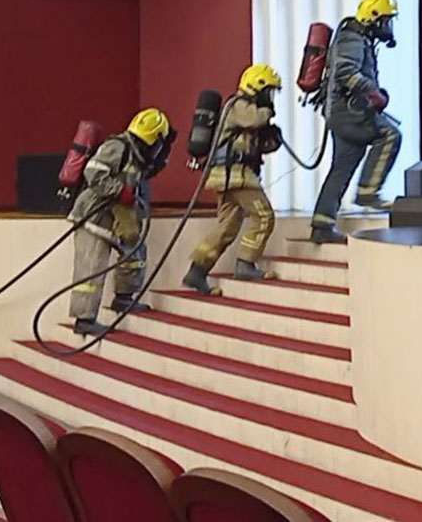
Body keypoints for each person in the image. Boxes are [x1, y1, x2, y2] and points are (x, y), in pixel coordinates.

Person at [68, 107, 175, 336]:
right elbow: (93, 173)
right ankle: (84, 319)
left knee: (134, 252)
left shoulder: (139, 155)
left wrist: (164, 154)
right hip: (93, 215)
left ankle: (124, 298)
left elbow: (143, 173)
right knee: (92, 266)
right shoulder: (118, 147)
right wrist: (119, 190)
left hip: (119, 215)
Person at [182, 64, 284, 294]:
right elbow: (255, 119)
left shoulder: (243, 110)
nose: (271, 97)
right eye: (268, 91)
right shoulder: (238, 105)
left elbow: (250, 143)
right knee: (264, 216)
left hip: (230, 175)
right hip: (237, 176)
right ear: (257, 87)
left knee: (227, 226)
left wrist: (271, 140)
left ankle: (197, 271)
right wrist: (267, 109)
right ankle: (246, 263)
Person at [310, 0, 402, 244]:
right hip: (348, 112)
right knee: (390, 135)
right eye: (386, 20)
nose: (388, 26)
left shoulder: (355, 37)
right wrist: (373, 93)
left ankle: (321, 226)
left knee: (341, 168)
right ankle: (368, 191)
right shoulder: (352, 37)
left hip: (340, 112)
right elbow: (346, 72)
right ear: (374, 17)